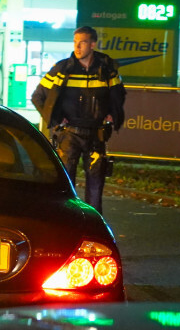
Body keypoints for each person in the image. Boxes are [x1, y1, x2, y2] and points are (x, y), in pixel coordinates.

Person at [31, 25, 126, 213]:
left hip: (96, 135)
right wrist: (56, 119)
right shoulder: (63, 68)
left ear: (92, 44)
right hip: (69, 135)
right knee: (66, 187)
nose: (77, 47)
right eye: (75, 42)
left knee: (96, 188)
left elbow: (119, 94)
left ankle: (94, 230)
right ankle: (68, 225)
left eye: (82, 43)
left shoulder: (107, 70)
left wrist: (112, 114)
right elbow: (37, 96)